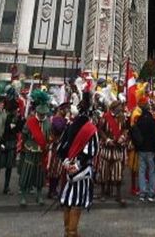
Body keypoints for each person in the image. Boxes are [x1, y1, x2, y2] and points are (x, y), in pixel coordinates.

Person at [58, 98, 99, 237]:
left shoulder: (70, 126)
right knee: (76, 201)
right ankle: (71, 232)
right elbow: (92, 151)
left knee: (69, 200)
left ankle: (68, 231)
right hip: (81, 170)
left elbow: (61, 148)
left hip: (69, 167)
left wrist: (66, 163)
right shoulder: (90, 129)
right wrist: (77, 165)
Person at [18, 90, 51, 207]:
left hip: (42, 152)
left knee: (39, 175)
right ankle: (23, 196)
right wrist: (27, 146)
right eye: (40, 114)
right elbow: (24, 135)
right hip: (30, 150)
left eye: (44, 114)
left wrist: (48, 144)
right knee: (27, 173)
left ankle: (39, 195)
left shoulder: (48, 122)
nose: (42, 115)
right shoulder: (30, 121)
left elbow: (49, 136)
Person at [97, 100, 127, 204]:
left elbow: (124, 129)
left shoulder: (122, 117)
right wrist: (107, 140)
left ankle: (118, 195)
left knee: (118, 172)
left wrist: (123, 137)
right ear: (114, 107)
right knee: (104, 171)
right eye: (119, 106)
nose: (121, 108)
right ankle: (102, 193)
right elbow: (100, 130)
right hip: (106, 149)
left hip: (117, 148)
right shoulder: (105, 117)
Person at [132, 97, 155, 202]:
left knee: (142, 171)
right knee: (152, 171)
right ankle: (151, 193)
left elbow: (135, 133)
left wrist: (137, 147)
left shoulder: (138, 119)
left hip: (141, 149)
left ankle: (142, 193)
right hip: (151, 149)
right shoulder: (152, 119)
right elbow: (154, 135)